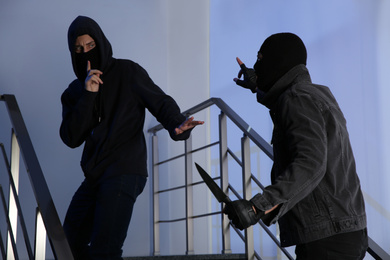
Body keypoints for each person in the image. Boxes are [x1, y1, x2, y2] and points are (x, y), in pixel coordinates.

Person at [60, 16, 204, 260]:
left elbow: (160, 101)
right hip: (95, 174)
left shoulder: (127, 71)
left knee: (105, 249)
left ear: (101, 43)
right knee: (67, 242)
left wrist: (177, 124)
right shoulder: (74, 91)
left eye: (90, 46)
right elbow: (71, 137)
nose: (85, 53)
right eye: (78, 49)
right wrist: (88, 95)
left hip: (125, 170)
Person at [223, 33, 368, 260]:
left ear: (278, 61)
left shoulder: (296, 98)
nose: (257, 66)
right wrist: (259, 87)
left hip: (326, 239)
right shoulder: (314, 94)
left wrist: (258, 206)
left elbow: (310, 163)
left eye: (261, 59)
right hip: (344, 229)